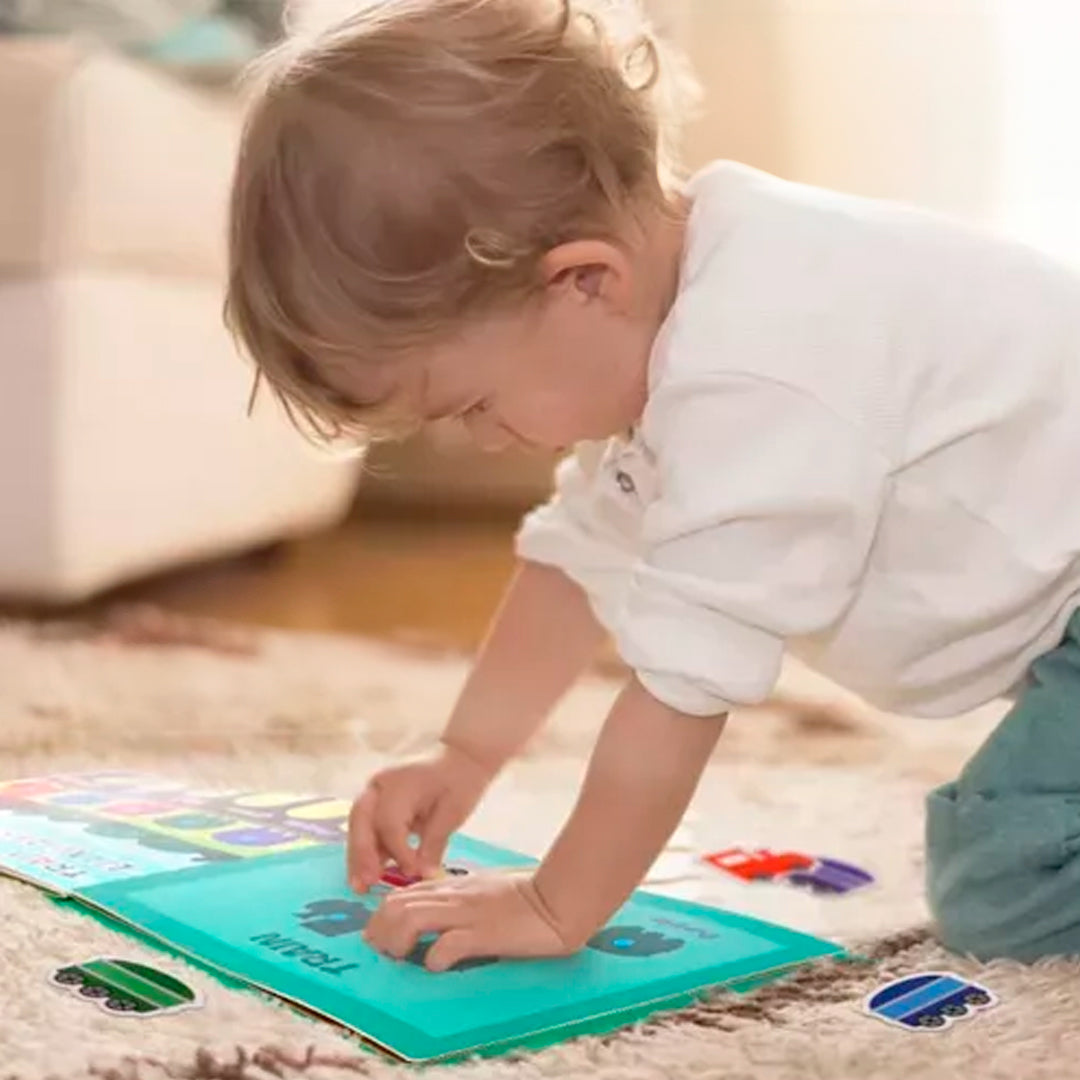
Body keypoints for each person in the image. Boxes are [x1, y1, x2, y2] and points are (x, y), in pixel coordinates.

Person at [225, 0, 1080, 972]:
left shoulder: (758, 367)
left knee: (1009, 881)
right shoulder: (689, 302)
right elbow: (575, 563)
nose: (473, 444)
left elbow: (682, 686)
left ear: (584, 282)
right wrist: (461, 757)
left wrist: (557, 906)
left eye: (470, 404)